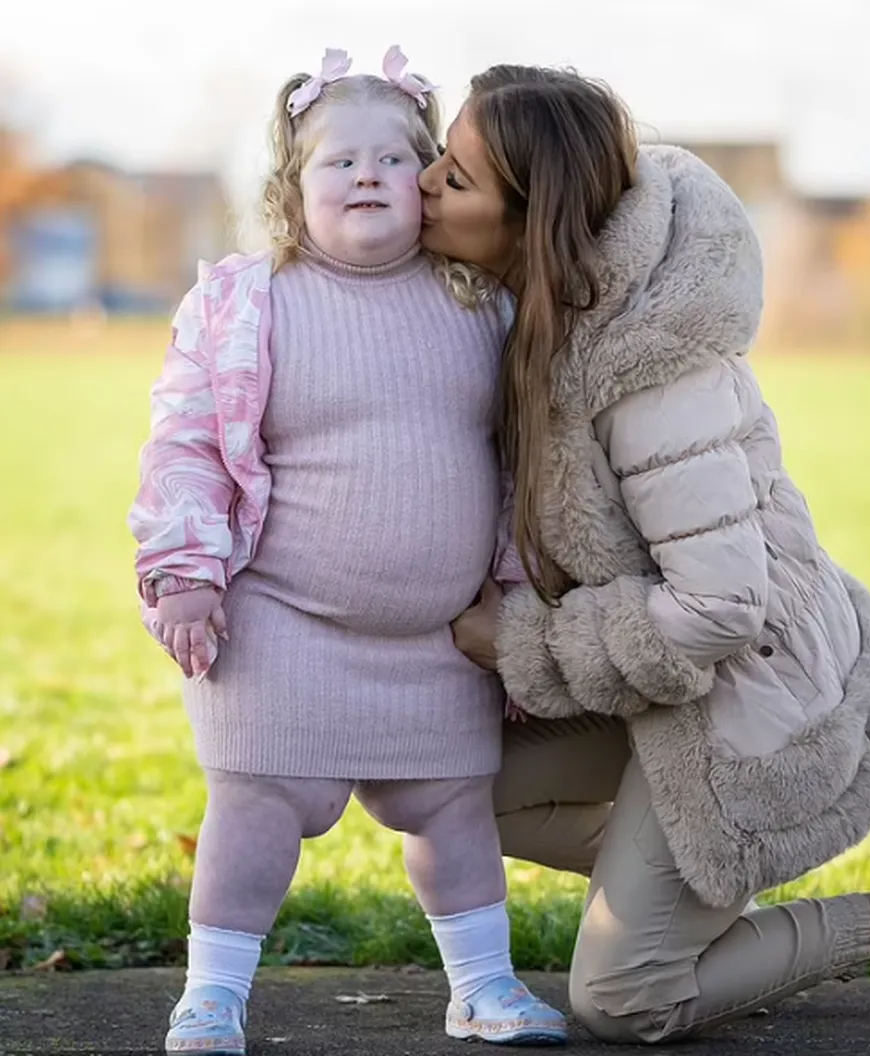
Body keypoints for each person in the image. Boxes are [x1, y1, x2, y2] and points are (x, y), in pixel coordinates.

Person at [421, 64, 870, 1044]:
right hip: (672, 696)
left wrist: (523, 643)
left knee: (624, 997)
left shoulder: (648, 375)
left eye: (456, 180)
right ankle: (665, 889)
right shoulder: (549, 324)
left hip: (763, 702)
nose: (426, 184)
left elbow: (722, 608)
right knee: (443, 789)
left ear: (532, 224)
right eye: (439, 159)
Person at [128, 48, 566, 1055]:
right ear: (292, 189)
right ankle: (213, 994)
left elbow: (523, 462)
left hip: (438, 634)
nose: (366, 176)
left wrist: (517, 596)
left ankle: (484, 986)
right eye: (338, 162)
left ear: (430, 186)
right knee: (256, 803)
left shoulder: (479, 305)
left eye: (394, 160)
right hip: (285, 620)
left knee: (453, 812)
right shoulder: (250, 304)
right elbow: (186, 443)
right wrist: (185, 569)